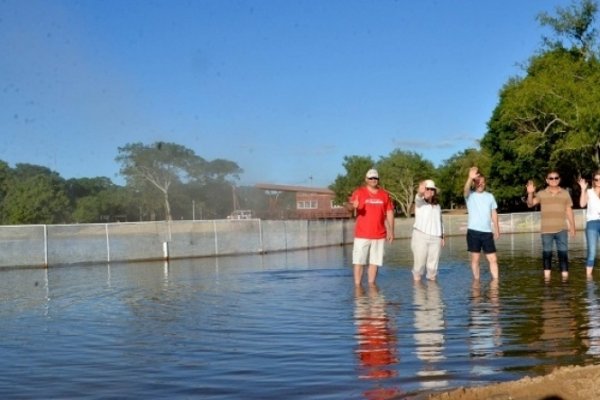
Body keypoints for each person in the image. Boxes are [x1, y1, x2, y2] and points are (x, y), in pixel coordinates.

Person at [526, 170, 576, 280]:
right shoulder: (541, 193)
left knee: (563, 255)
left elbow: (569, 210)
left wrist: (572, 226)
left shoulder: (565, 193)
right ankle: (547, 280)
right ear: (547, 180)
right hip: (546, 231)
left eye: (556, 178)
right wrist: (530, 193)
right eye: (551, 178)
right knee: (547, 255)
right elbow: (530, 204)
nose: (554, 180)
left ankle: (565, 280)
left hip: (562, 229)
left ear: (559, 179)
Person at [349, 168, 395, 286]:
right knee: (359, 261)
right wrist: (353, 207)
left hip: (379, 234)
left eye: (375, 178)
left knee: (375, 262)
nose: (373, 180)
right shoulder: (359, 192)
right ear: (366, 179)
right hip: (362, 234)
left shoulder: (384, 194)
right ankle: (358, 287)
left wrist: (391, 231)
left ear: (378, 179)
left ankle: (371, 285)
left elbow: (389, 213)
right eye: (371, 178)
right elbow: (350, 209)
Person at [464, 167, 500, 280]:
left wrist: (497, 228)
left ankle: (495, 282)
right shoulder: (469, 195)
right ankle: (476, 281)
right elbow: (465, 189)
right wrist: (470, 178)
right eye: (478, 182)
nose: (481, 184)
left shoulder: (490, 196)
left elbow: (493, 212)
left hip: (487, 232)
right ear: (474, 183)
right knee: (475, 259)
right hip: (473, 232)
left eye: (482, 182)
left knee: (493, 259)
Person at [411, 179, 445, 281]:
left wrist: (442, 236)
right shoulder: (420, 203)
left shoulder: (437, 206)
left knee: (433, 267)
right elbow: (418, 197)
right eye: (427, 189)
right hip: (420, 236)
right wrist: (420, 192)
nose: (430, 191)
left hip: (436, 237)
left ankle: (433, 293)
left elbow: (440, 221)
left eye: (432, 189)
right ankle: (418, 292)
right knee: (419, 265)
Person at [578, 171, 600, 279]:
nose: (599, 181)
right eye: (596, 179)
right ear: (593, 181)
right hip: (592, 223)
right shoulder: (589, 192)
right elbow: (582, 204)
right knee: (592, 252)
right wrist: (583, 189)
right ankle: (588, 279)